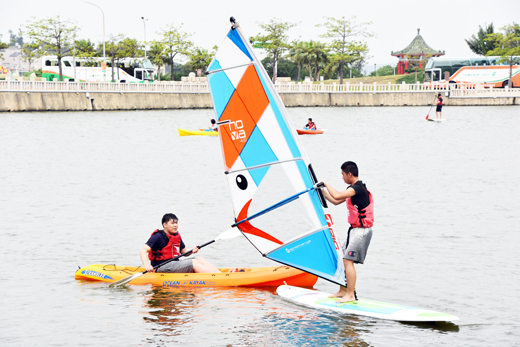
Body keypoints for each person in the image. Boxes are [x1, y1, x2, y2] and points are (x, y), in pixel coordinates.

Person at [318, 161, 374, 302]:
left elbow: (336, 195)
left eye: (343, 174)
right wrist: (321, 191)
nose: (342, 177)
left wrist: (326, 184)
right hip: (354, 230)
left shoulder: (357, 188)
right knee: (343, 258)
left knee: (348, 260)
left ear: (350, 174)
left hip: (362, 231)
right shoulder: (352, 190)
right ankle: (343, 290)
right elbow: (335, 201)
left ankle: (350, 294)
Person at [140, 213, 227, 274]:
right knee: (193, 262)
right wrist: (147, 265)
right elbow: (143, 250)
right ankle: (217, 278)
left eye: (176, 223)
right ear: (165, 225)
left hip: (174, 264)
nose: (175, 225)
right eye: (172, 223)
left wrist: (192, 251)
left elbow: (184, 251)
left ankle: (220, 275)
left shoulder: (176, 235)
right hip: (160, 267)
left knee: (199, 259)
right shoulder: (158, 237)